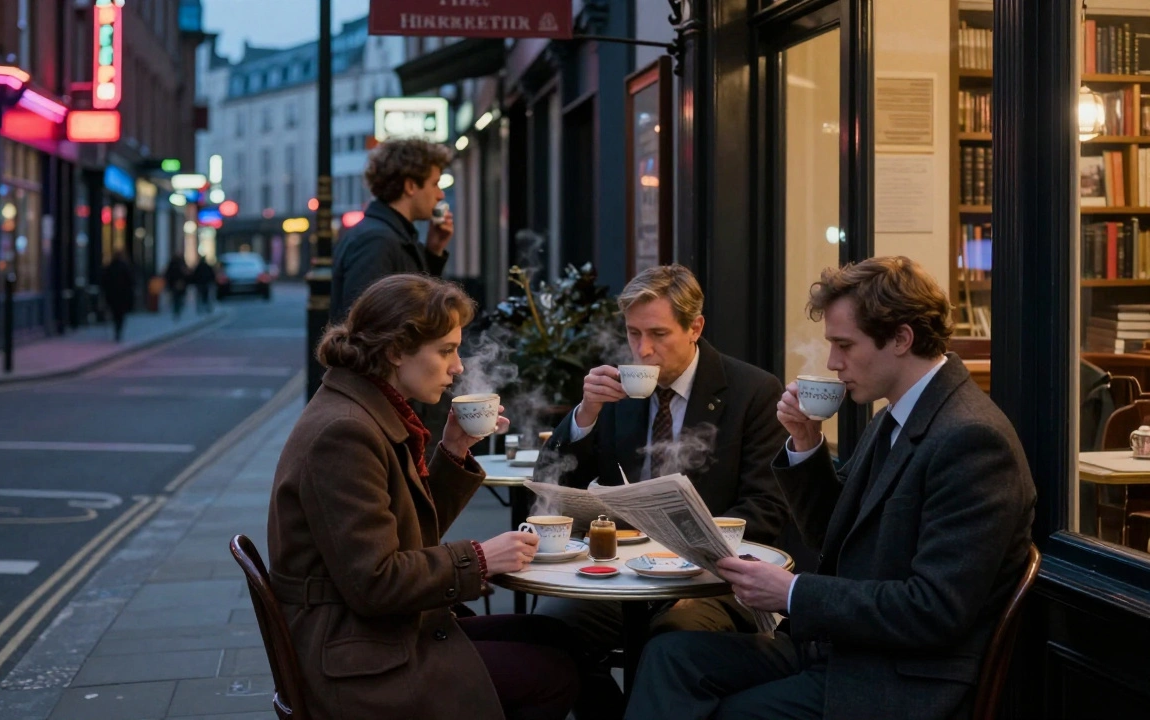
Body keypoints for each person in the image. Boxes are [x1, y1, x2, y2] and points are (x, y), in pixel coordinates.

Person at [626, 256, 1037, 720]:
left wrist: (793, 594)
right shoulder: (894, 417)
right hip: (843, 650)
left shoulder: (971, 439)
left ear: (901, 338)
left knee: (732, 711)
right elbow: (835, 536)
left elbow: (934, 610)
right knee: (670, 657)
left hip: (898, 678)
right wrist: (805, 444)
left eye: (844, 344)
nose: (832, 363)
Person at [267, 273, 581, 720]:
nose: (458, 368)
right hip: (355, 659)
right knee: (553, 672)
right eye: (446, 350)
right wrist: (480, 558)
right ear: (396, 351)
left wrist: (453, 450)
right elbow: (375, 582)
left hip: (375, 634)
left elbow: (405, 534)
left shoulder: (365, 408)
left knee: (559, 636)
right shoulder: (345, 433)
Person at [535, 264, 789, 715]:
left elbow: (766, 508)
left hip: (712, 581)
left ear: (695, 328)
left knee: (672, 637)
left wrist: (696, 546)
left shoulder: (753, 392)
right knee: (549, 634)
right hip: (625, 574)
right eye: (633, 334)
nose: (643, 350)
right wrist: (586, 413)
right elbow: (554, 484)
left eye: (658, 333)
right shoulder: (617, 395)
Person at [329, 137, 454, 322]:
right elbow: (365, 326)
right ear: (410, 186)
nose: (440, 194)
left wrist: (433, 251)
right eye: (435, 184)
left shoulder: (394, 236)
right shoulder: (376, 241)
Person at [100, 249, 136, 342]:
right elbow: (131, 282)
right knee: (121, 315)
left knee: (115, 313)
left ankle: (117, 330)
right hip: (122, 296)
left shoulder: (110, 267)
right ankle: (118, 331)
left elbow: (104, 282)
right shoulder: (126, 267)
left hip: (112, 295)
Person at [163, 255, 190, 320]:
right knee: (178, 299)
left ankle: (176, 311)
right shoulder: (181, 266)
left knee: (176, 299)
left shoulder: (172, 266)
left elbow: (167, 275)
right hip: (179, 285)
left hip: (175, 285)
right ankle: (177, 310)